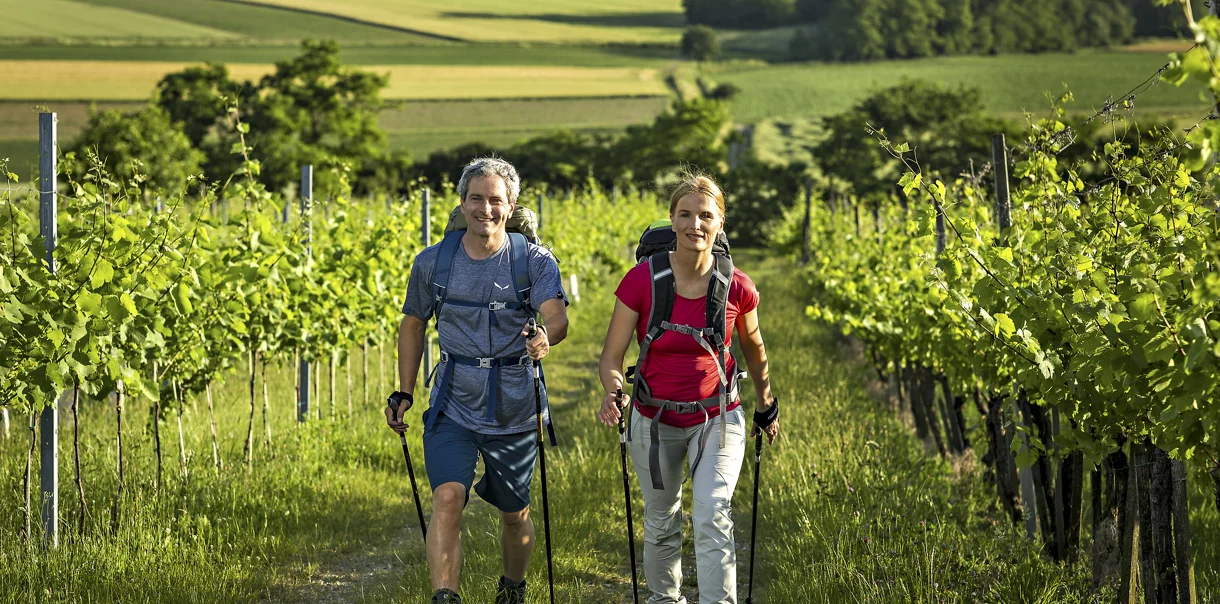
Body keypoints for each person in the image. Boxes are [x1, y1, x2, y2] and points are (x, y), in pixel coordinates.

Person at [386, 157, 569, 604]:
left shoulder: (534, 262)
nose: (485, 208)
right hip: (453, 403)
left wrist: (544, 336)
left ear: (511, 206)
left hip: (515, 406)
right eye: (476, 198)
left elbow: (557, 318)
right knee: (447, 498)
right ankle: (445, 597)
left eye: (495, 200)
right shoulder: (432, 263)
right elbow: (412, 324)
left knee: (514, 512)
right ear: (462, 202)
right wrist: (405, 391)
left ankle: (512, 588)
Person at [597, 173, 778, 604]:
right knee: (661, 522)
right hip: (653, 419)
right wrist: (613, 390)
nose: (695, 224)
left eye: (705, 216)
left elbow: (754, 349)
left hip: (717, 416)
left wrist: (766, 403)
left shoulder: (738, 286)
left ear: (720, 224)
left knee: (712, 515)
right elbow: (611, 356)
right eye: (685, 214)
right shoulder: (641, 281)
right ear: (673, 220)